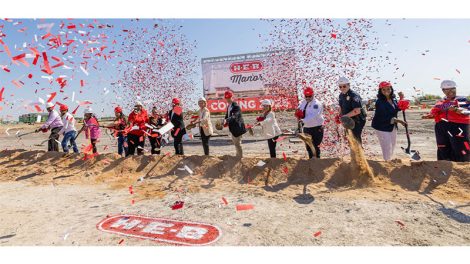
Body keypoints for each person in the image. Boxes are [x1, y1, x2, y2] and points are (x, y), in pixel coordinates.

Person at [422, 80, 470, 162]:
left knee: (460, 147)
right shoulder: (440, 102)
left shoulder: (462, 99)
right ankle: (444, 166)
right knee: (443, 147)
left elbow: (467, 111)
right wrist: (429, 115)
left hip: (458, 127)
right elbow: (434, 112)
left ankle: (463, 167)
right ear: (443, 91)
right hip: (441, 127)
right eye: (447, 89)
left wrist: (456, 109)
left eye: (452, 89)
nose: (450, 91)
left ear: (455, 88)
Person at [371, 81, 407, 161]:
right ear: (380, 91)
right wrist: (399, 121)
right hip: (381, 126)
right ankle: (387, 162)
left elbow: (397, 109)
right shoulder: (379, 102)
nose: (386, 91)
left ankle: (389, 160)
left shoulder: (393, 99)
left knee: (393, 144)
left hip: (391, 125)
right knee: (387, 146)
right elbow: (385, 116)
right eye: (383, 89)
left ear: (391, 89)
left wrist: (401, 98)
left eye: (388, 88)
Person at [295, 87, 325, 158]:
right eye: (306, 96)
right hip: (307, 128)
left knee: (315, 146)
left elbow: (314, 115)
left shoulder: (316, 104)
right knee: (308, 146)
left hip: (316, 128)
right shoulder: (303, 102)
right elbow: (299, 109)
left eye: (309, 96)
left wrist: (303, 120)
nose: (308, 98)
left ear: (313, 95)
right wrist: (297, 114)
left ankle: (317, 162)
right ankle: (311, 161)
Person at [338, 77, 367, 144]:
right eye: (340, 87)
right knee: (350, 139)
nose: (342, 88)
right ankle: (353, 153)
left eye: (344, 86)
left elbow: (357, 110)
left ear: (348, 85)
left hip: (357, 119)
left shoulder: (354, 95)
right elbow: (341, 107)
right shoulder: (341, 95)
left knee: (356, 138)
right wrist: (339, 115)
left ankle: (359, 153)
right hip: (348, 119)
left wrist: (344, 116)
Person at [224, 90, 246, 158]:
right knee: (235, 142)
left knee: (238, 143)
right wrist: (225, 121)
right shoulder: (229, 106)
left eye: (229, 97)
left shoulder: (236, 106)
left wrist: (227, 120)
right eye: (226, 98)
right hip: (233, 128)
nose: (227, 99)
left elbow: (235, 116)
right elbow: (227, 115)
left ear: (232, 97)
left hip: (238, 127)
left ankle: (240, 157)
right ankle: (238, 155)